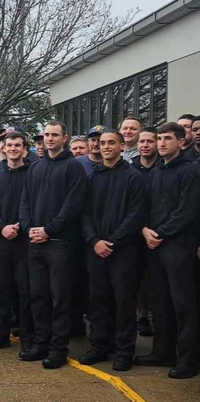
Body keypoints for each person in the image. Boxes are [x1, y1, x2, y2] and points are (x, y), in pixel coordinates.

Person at [19, 120, 86, 369]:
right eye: (46, 134)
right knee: (39, 297)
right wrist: (28, 228)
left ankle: (58, 349)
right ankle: (41, 344)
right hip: (35, 242)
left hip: (60, 243)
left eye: (54, 135)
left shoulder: (73, 167)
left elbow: (73, 205)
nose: (49, 138)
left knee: (60, 299)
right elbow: (25, 200)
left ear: (64, 138)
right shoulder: (36, 167)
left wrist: (49, 230)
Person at [135, 122, 200, 379]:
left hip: (179, 246)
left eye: (167, 138)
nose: (161, 143)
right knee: (159, 302)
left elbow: (187, 211)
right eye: (159, 138)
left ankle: (188, 360)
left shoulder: (190, 171)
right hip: (154, 245)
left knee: (183, 304)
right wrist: (145, 230)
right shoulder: (156, 172)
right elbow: (145, 206)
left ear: (181, 142)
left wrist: (160, 233)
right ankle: (162, 351)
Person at [79, 130, 146, 372]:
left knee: (124, 301)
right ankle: (99, 345)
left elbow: (135, 215)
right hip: (96, 249)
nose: (105, 146)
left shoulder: (134, 177)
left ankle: (125, 350)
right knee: (98, 300)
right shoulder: (91, 177)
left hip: (123, 251)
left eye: (111, 143)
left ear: (121, 146)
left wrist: (113, 242)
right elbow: (84, 212)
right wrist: (94, 241)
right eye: (102, 143)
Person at [0, 132, 32, 352]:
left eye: (17, 145)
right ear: (3, 148)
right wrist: (2, 227)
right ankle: (0, 335)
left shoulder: (32, 174)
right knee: (0, 289)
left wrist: (19, 226)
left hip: (24, 241)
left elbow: (34, 204)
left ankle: (27, 336)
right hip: (1, 240)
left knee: (25, 291)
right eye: (9, 145)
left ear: (24, 149)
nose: (13, 149)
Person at [131, 129, 159, 338]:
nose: (145, 145)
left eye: (150, 141)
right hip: (134, 233)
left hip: (159, 234)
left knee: (156, 280)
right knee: (138, 279)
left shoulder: (163, 167)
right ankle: (142, 317)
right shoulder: (130, 170)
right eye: (142, 141)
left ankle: (158, 319)